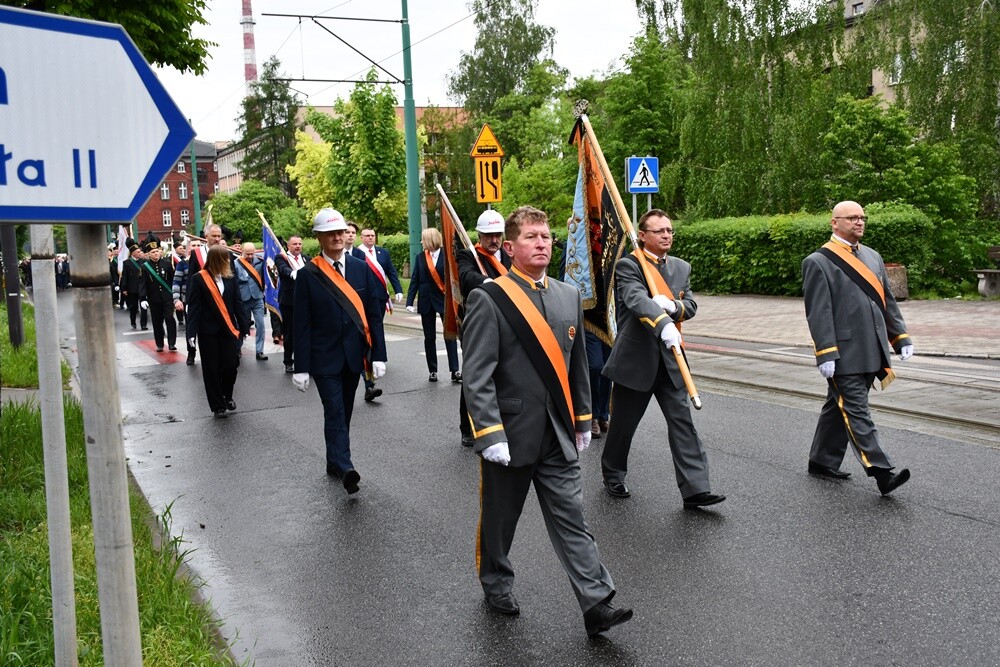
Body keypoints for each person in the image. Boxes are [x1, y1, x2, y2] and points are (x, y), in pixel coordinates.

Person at [462, 205, 632, 636]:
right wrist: (489, 432)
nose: (541, 243)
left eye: (546, 236)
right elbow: (477, 373)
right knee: (501, 520)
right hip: (511, 434)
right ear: (512, 245)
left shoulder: (567, 295)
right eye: (531, 237)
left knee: (572, 517)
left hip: (557, 433)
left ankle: (596, 601)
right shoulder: (489, 297)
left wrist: (583, 419)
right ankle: (496, 582)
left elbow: (577, 367)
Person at [600, 209, 725, 509]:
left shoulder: (681, 267)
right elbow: (634, 299)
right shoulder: (630, 264)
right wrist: (661, 321)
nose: (667, 235)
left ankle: (696, 488)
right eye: (659, 231)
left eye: (669, 230)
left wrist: (674, 307)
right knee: (623, 425)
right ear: (643, 235)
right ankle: (613, 474)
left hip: (671, 359)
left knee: (683, 423)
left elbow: (691, 304)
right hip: (636, 358)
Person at [802, 200, 913, 495]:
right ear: (834, 223)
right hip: (843, 353)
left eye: (862, 217)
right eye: (852, 218)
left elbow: (886, 301)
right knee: (856, 410)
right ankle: (881, 472)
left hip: (872, 348)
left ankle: (822, 460)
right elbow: (819, 312)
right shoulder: (819, 261)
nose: (859, 222)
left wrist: (900, 336)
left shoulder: (873, 256)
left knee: (836, 407)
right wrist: (825, 352)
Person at [291, 209, 387, 494]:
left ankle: (334, 458)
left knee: (343, 412)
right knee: (334, 409)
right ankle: (346, 467)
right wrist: (300, 367)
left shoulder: (359, 267)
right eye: (330, 233)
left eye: (340, 232)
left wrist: (378, 355)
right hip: (323, 357)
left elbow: (373, 314)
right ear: (319, 237)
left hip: (353, 356)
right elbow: (302, 323)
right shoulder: (308, 275)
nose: (337, 237)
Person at [455, 209, 512, 447]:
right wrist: (489, 282)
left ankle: (500, 421)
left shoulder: (510, 254)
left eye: (497, 234)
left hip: (507, 321)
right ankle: (467, 426)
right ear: (479, 234)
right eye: (489, 235)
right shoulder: (468, 255)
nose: (494, 240)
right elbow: (466, 278)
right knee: (475, 372)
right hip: (477, 322)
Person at [186, 245, 249, 418]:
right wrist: (190, 333)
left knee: (231, 365)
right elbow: (194, 308)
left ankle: (227, 395)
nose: (229, 262)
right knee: (211, 369)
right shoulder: (199, 279)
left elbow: (238, 303)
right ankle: (217, 406)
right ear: (217, 260)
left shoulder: (230, 278)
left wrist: (244, 326)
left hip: (229, 329)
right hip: (208, 332)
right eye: (226, 259)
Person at [352, 225, 404, 402]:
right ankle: (368, 381)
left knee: (375, 330)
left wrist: (397, 289)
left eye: (372, 235)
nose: (370, 238)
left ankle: (375, 360)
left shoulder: (383, 253)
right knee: (361, 337)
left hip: (379, 299)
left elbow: (391, 272)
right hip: (359, 301)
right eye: (366, 235)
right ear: (361, 237)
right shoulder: (357, 254)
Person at [406, 227, 461, 383]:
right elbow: (414, 280)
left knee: (450, 335)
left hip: (444, 300)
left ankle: (455, 370)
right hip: (426, 301)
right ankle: (432, 371)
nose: (421, 241)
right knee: (429, 338)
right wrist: (410, 301)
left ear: (430, 239)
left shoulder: (448, 256)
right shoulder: (420, 257)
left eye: (423, 239)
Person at [138, 233, 178, 352]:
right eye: (153, 252)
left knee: (170, 319)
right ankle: (160, 344)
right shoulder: (144, 267)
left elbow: (173, 280)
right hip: (154, 299)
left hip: (167, 297)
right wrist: (143, 298)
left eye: (157, 251)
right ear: (148, 254)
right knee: (157, 322)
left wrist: (176, 295)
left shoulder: (167, 264)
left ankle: (171, 343)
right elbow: (142, 284)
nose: (156, 254)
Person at [275, 235, 309, 373]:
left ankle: (306, 360)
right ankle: (288, 361)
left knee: (306, 332)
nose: (298, 246)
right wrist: (293, 273)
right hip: (289, 301)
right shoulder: (282, 257)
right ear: (288, 246)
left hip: (306, 301)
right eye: (294, 244)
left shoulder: (306, 258)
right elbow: (283, 270)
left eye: (300, 244)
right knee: (290, 332)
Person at [236, 242, 268, 361]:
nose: (250, 256)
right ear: (242, 252)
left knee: (260, 325)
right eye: (247, 254)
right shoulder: (235, 264)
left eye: (252, 254)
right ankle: (238, 348)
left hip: (257, 298)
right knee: (240, 325)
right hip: (243, 299)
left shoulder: (260, 261)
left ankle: (259, 351)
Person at [121, 239, 148, 330]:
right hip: (132, 288)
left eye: (140, 251)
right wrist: (124, 288)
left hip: (142, 288)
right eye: (138, 251)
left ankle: (143, 324)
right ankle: (133, 321)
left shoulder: (143, 262)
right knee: (133, 307)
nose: (140, 253)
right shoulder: (127, 263)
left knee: (144, 306)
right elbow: (125, 276)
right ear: (132, 253)